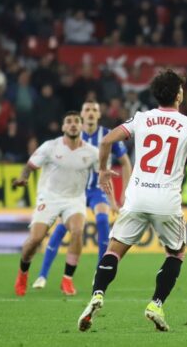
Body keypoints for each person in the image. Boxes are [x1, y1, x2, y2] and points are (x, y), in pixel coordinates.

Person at [77, 69, 187, 332]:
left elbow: (106, 141)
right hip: (166, 201)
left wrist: (103, 169)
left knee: (114, 251)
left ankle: (97, 294)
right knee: (176, 253)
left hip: (137, 197)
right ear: (178, 95)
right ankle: (156, 304)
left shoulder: (142, 118)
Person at [33, 100, 133, 290]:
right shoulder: (72, 138)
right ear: (82, 114)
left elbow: (126, 163)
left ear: (99, 114)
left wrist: (123, 194)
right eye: (87, 110)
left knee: (102, 220)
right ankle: (42, 275)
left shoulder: (108, 135)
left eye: (94, 110)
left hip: (97, 190)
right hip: (74, 191)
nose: (91, 113)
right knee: (61, 228)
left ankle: (99, 273)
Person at [11, 111, 99, 297]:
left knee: (77, 231)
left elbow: (102, 171)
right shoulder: (50, 147)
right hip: (49, 197)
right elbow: (30, 166)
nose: (73, 124)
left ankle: (67, 279)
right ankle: (23, 273)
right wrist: (23, 178)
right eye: (69, 121)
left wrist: (106, 179)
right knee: (35, 239)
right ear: (63, 127)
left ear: (82, 126)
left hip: (74, 199)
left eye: (76, 121)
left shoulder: (92, 152)